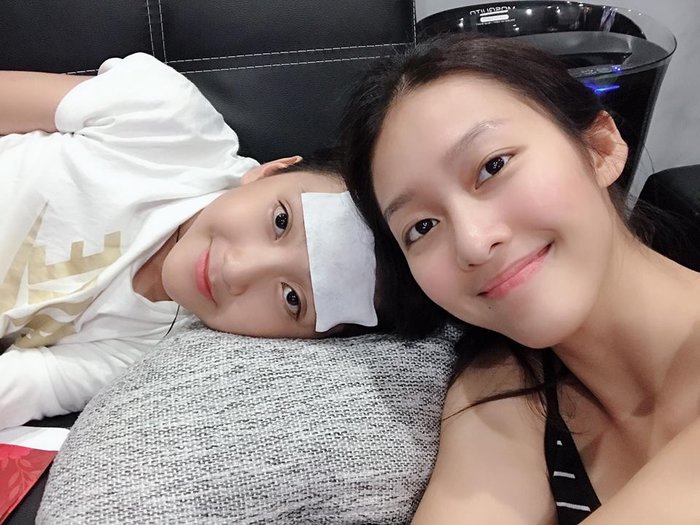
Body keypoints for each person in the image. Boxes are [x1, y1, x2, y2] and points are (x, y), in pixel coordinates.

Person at [340, 34, 700, 523]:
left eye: (493, 167)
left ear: (599, 147)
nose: (472, 243)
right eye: (421, 227)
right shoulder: (503, 389)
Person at [0, 53, 379, 430]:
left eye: (292, 298)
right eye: (281, 221)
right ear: (272, 172)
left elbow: (25, 386)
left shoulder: (147, 356)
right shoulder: (169, 121)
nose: (236, 270)